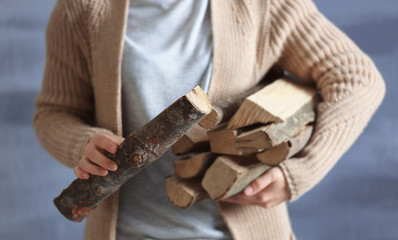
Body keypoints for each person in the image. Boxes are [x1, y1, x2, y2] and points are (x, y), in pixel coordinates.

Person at [33, 0, 385, 239]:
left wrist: (300, 172)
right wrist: (82, 143)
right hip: (125, 232)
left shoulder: (261, 5)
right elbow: (54, 112)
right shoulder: (81, 9)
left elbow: (356, 78)